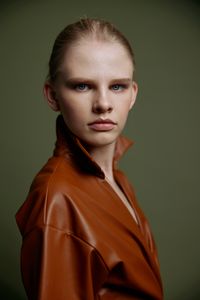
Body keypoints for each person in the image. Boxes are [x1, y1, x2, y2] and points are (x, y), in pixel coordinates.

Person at [15, 18, 163, 300]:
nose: (104, 103)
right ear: (53, 96)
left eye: (117, 86)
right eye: (82, 86)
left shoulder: (118, 179)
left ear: (133, 94)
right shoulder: (56, 200)